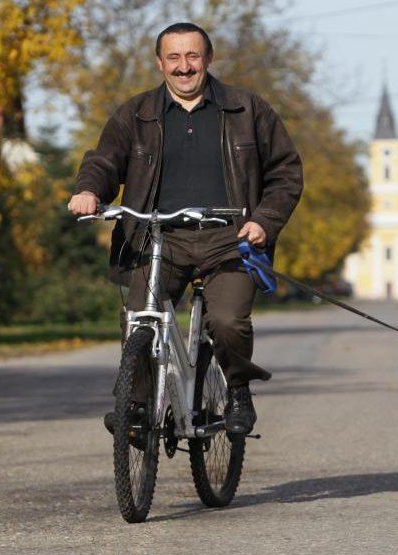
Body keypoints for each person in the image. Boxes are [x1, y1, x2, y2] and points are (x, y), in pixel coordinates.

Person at [67, 22, 303, 435]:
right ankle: (136, 406)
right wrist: (88, 190)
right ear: (160, 63)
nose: (183, 67)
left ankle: (238, 391)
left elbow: (286, 172)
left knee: (228, 321)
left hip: (230, 238)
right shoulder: (135, 114)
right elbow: (104, 161)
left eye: (192, 56)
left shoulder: (248, 110)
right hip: (157, 237)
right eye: (173, 58)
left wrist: (263, 222)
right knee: (140, 318)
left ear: (208, 59)